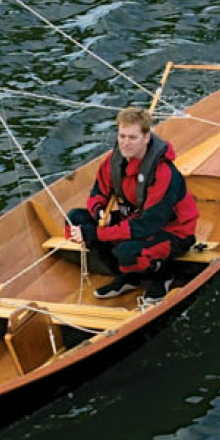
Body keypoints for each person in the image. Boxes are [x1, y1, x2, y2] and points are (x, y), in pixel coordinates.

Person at [67, 107, 198, 303]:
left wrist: (97, 233)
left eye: (132, 137)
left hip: (173, 231)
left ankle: (163, 273)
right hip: (136, 220)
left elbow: (147, 225)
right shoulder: (113, 161)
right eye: (122, 136)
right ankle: (130, 277)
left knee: (127, 251)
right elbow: (98, 194)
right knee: (75, 219)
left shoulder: (164, 174)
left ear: (146, 138)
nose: (125, 143)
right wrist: (100, 212)